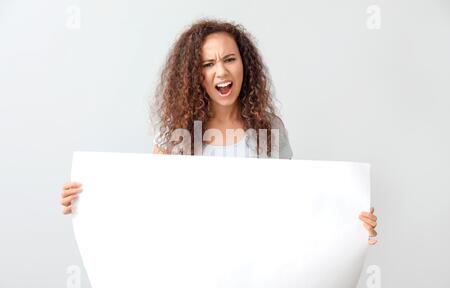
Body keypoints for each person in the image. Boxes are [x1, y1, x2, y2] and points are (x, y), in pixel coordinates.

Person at [60, 19, 378, 245]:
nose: (221, 71)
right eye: (207, 64)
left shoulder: (270, 130)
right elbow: (148, 203)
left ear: (245, 66)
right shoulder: (174, 135)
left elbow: (294, 206)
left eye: (229, 59)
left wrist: (350, 223)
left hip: (258, 266)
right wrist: (89, 199)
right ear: (194, 75)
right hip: (193, 264)